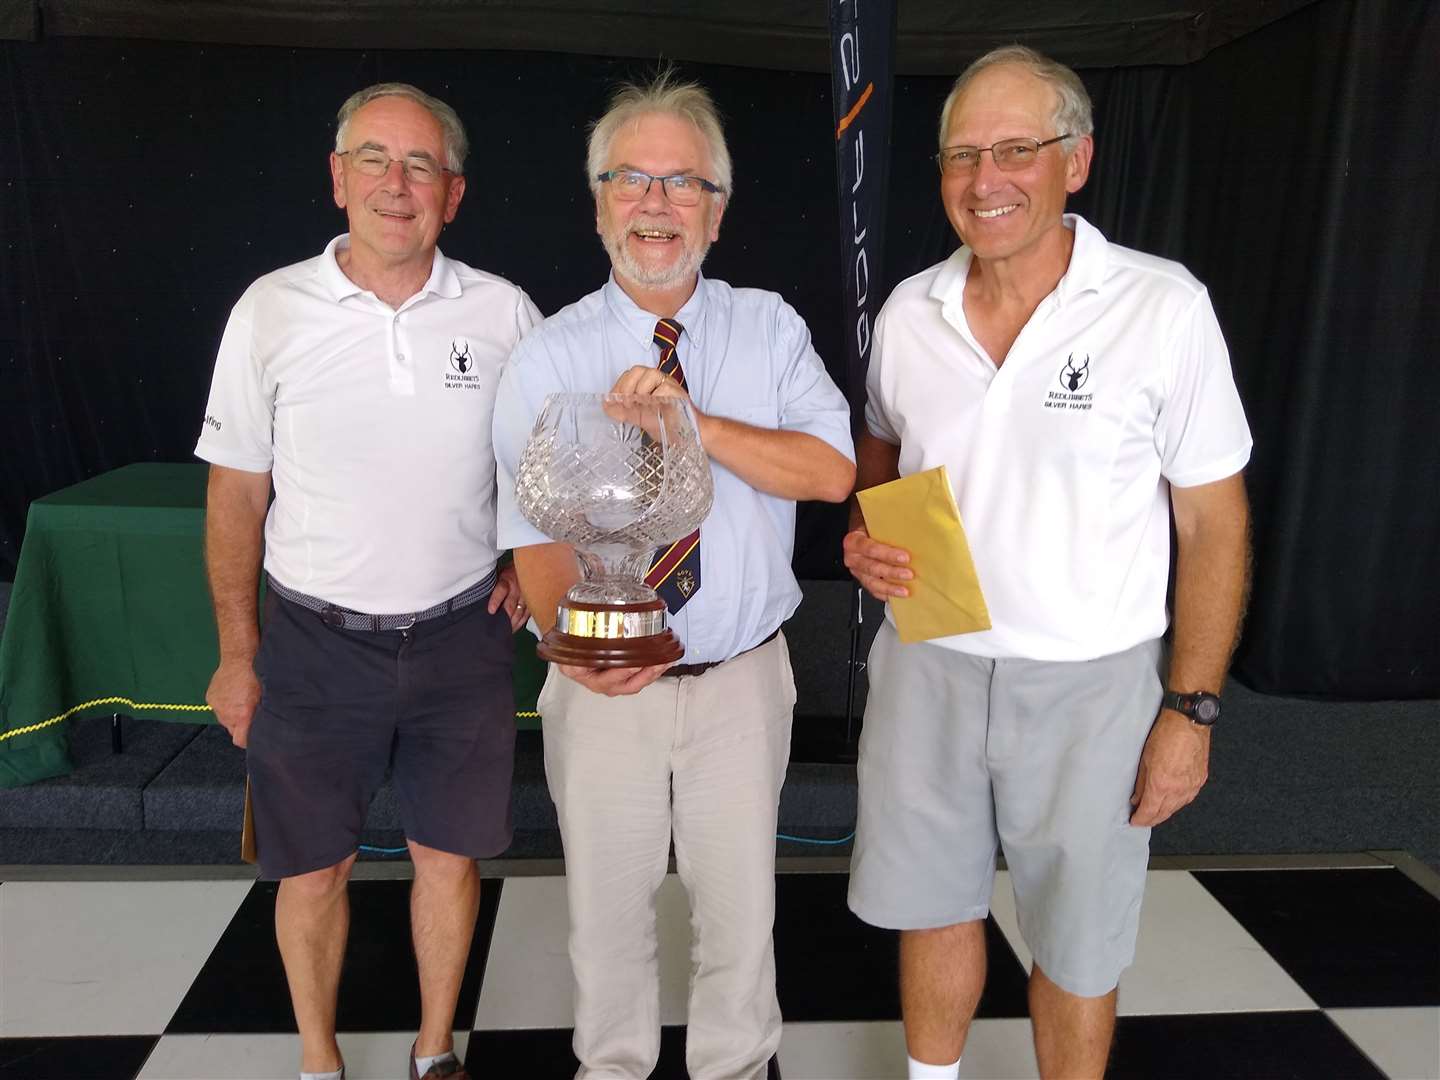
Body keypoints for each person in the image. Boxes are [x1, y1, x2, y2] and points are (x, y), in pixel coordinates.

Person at [842, 46, 1252, 1080]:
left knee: (1076, 944)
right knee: (931, 909)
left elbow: (1214, 528)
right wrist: (868, 532)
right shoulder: (907, 314)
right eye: (963, 155)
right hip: (928, 662)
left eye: (1016, 149)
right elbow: (884, 451)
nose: (987, 181)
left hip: (1093, 683)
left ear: (1077, 159)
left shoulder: (1161, 309)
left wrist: (1190, 712)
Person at [492, 71, 855, 1080]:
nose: (656, 204)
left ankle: (735, 1070)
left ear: (719, 211)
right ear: (600, 202)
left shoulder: (769, 329)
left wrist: (690, 425)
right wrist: (575, 643)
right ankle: (611, 1070)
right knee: (605, 926)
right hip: (602, 692)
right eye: (632, 180)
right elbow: (532, 532)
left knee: (740, 926)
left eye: (682, 183)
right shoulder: (549, 354)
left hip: (739, 681)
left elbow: (827, 471)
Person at [196, 82, 539, 1080]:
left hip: (460, 639)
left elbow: (544, 460)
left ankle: (436, 1051)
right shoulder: (271, 312)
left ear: (455, 192)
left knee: (448, 858)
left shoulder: (504, 309)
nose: (399, 184)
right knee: (312, 870)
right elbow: (234, 499)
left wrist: (525, 556)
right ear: (338, 179)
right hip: (312, 645)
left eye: (421, 164)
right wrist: (235, 651)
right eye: (377, 161)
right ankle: (318, 1060)